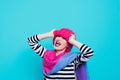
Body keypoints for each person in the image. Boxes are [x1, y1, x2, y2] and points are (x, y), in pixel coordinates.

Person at [27, 28, 94, 80]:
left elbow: (89, 52)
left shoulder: (72, 59)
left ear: (68, 44)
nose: (58, 39)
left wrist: (72, 41)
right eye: (58, 36)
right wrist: (49, 34)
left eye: (63, 38)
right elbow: (31, 41)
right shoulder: (46, 54)